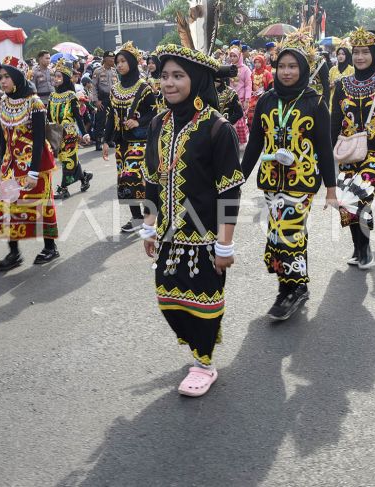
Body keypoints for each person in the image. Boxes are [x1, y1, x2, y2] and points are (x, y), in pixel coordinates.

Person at [142, 43, 244, 397]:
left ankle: (204, 363)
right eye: (164, 76)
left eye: (178, 76)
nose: (168, 83)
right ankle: (200, 349)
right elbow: (153, 180)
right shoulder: (158, 123)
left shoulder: (218, 128)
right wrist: (148, 225)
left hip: (205, 237)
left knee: (203, 304)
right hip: (169, 234)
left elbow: (230, 191)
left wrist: (225, 243)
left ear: (197, 79)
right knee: (168, 300)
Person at [241, 32, 336, 320]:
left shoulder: (315, 102)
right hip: (271, 180)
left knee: (287, 233)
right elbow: (255, 143)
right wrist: (237, 180)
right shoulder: (267, 101)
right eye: (282, 66)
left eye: (293, 66)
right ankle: (298, 285)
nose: (286, 71)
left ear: (303, 69)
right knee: (281, 234)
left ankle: (289, 291)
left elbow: (324, 147)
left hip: (302, 181)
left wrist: (331, 188)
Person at [330, 28, 375, 269]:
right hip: (348, 150)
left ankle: (366, 248)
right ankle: (358, 247)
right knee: (345, 200)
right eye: (356, 52)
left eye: (365, 52)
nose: (360, 57)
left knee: (361, 194)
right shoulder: (341, 84)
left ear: (374, 53)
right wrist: (325, 159)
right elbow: (333, 122)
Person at [0, 55, 59, 269]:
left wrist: (34, 172)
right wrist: (3, 162)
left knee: (41, 204)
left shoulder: (34, 103)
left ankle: (50, 247)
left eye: (7, 77)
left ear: (18, 78)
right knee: (8, 206)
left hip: (34, 164)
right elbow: (3, 137)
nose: (3, 81)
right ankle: (14, 253)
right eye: (1, 77)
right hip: (11, 164)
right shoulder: (3, 102)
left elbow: (39, 139)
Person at [102, 41, 156, 232]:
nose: (119, 65)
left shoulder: (144, 87)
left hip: (140, 140)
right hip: (122, 142)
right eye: (117, 61)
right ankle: (136, 217)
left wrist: (138, 122)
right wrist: (106, 140)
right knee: (124, 179)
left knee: (137, 177)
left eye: (124, 61)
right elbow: (110, 115)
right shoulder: (115, 89)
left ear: (132, 62)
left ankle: (150, 216)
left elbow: (154, 111)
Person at [49, 58, 93, 199]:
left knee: (68, 160)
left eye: (59, 76)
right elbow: (49, 118)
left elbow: (78, 117)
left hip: (69, 134)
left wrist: (85, 134)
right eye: (55, 76)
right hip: (56, 134)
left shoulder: (71, 96)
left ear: (66, 78)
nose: (56, 79)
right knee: (67, 159)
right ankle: (83, 177)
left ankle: (63, 188)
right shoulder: (52, 96)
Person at [91, 51, 117, 151]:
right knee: (100, 120)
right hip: (102, 99)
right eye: (111, 58)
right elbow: (93, 87)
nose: (113, 60)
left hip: (113, 98)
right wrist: (96, 100)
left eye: (113, 58)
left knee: (113, 119)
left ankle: (110, 140)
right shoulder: (98, 71)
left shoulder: (114, 71)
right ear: (105, 59)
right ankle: (98, 142)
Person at [228, 46, 251, 148]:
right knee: (231, 121)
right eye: (231, 56)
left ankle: (240, 142)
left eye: (234, 56)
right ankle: (232, 140)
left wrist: (247, 100)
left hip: (241, 99)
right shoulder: (228, 68)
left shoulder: (245, 69)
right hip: (229, 98)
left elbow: (248, 85)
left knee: (240, 123)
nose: (232, 58)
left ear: (239, 56)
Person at [247, 54, 273, 123]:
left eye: (259, 62)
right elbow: (250, 85)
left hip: (264, 97)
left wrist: (264, 93)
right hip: (254, 97)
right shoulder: (252, 73)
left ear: (262, 63)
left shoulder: (267, 74)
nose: (257, 64)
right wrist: (252, 92)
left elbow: (270, 87)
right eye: (255, 62)